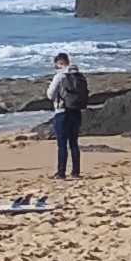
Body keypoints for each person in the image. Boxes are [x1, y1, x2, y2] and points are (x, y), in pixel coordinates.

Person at [47, 51, 89, 181]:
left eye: (57, 65)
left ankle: (61, 172)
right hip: (76, 110)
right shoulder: (80, 76)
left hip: (62, 111)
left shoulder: (60, 77)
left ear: (60, 63)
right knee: (74, 143)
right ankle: (75, 172)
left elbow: (50, 95)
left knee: (62, 144)